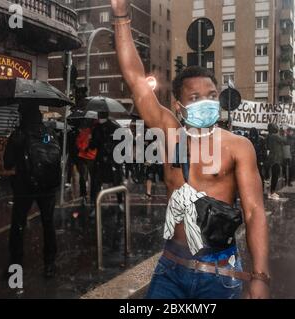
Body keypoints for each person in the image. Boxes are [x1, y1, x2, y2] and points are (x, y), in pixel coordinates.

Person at [112, 0, 270, 299]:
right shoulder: (170, 133)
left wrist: (260, 277)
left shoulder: (238, 147)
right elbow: (135, 78)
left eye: (211, 95)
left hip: (220, 273)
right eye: (195, 97)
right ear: (178, 105)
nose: (206, 102)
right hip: (171, 268)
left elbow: (254, 212)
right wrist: (121, 15)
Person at [4, 105, 60, 278]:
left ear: (22, 116)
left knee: (18, 226)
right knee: (48, 224)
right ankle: (49, 264)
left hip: (25, 187)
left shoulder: (19, 135)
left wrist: (16, 145)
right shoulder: (48, 134)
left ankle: (16, 266)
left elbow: (8, 163)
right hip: (48, 187)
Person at [89, 112, 124, 215]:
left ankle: (95, 206)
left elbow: (93, 145)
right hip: (112, 160)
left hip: (103, 160)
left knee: (96, 184)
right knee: (116, 182)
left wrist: (92, 141)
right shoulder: (115, 126)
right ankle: (119, 203)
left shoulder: (97, 128)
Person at [76, 119, 98, 207]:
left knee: (92, 179)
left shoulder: (96, 132)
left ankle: (91, 197)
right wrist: (84, 147)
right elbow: (78, 143)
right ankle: (84, 196)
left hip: (92, 157)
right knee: (83, 177)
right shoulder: (85, 132)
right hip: (84, 157)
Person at [266, 123, 286, 200]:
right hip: (276, 159)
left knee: (274, 176)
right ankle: (272, 192)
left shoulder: (269, 136)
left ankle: (271, 192)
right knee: (275, 176)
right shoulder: (275, 136)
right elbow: (284, 140)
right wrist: (282, 132)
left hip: (273, 158)